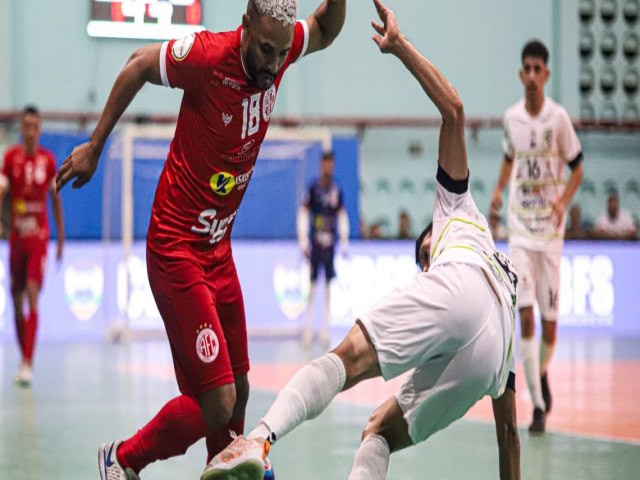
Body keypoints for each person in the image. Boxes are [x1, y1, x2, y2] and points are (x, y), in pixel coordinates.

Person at [203, 2, 520, 479]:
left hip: (463, 290)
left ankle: (257, 439)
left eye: (424, 255)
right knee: (378, 431)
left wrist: (399, 46)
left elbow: (453, 110)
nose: (426, 262)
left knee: (346, 359)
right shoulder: (503, 276)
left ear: (434, 235)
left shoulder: (456, 208)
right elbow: (509, 436)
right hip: (494, 356)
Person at [55, 1, 347, 479]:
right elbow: (136, 66)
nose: (274, 65)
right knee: (217, 403)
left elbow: (324, 28)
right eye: (266, 50)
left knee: (242, 390)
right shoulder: (207, 57)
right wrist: (96, 144)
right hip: (176, 250)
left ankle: (222, 468)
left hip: (218, 251)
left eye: (281, 54)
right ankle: (121, 460)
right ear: (246, 25)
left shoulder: (282, 44)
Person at [490, 39, 584, 433]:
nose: (531, 76)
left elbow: (577, 167)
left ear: (545, 74)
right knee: (524, 315)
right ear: (520, 74)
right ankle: (539, 406)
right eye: (525, 69)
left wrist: (562, 200)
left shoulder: (558, 120)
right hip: (522, 230)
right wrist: (498, 191)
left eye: (537, 69)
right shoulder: (511, 118)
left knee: (550, 325)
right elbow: (510, 159)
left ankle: (540, 373)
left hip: (551, 232)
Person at [0, 106, 65, 387]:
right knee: (15, 301)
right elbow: (2, 192)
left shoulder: (48, 161)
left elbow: (55, 199)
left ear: (39, 129)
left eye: (34, 126)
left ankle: (28, 362)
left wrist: (60, 238)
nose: (29, 130)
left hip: (39, 237)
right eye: (25, 125)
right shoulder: (10, 158)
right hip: (16, 237)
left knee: (32, 294)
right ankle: (23, 357)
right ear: (21, 129)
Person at [297, 151, 349, 349]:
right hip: (315, 246)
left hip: (330, 246)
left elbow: (342, 215)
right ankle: (308, 331)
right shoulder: (313, 188)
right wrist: (303, 240)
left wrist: (344, 240)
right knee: (312, 288)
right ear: (321, 165)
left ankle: (325, 330)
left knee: (328, 288)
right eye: (325, 164)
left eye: (331, 164)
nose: (328, 167)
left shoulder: (337, 189)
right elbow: (304, 212)